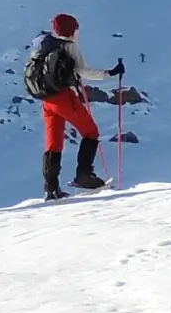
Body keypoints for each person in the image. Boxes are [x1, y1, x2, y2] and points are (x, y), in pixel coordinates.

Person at [34, 14, 122, 199]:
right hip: (64, 97)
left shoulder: (44, 46)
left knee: (53, 142)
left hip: (47, 100)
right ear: (71, 30)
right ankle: (84, 176)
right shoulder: (69, 46)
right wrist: (110, 73)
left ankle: (51, 189)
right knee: (91, 132)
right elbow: (83, 71)